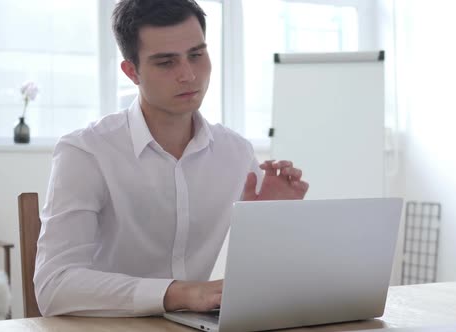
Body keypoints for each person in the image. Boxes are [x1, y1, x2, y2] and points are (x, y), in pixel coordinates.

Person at [34, 0, 309, 317]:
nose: (189, 75)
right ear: (131, 71)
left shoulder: (236, 153)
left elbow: (260, 284)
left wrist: (273, 224)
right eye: (166, 63)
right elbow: (54, 287)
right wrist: (180, 293)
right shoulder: (86, 152)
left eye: (196, 55)